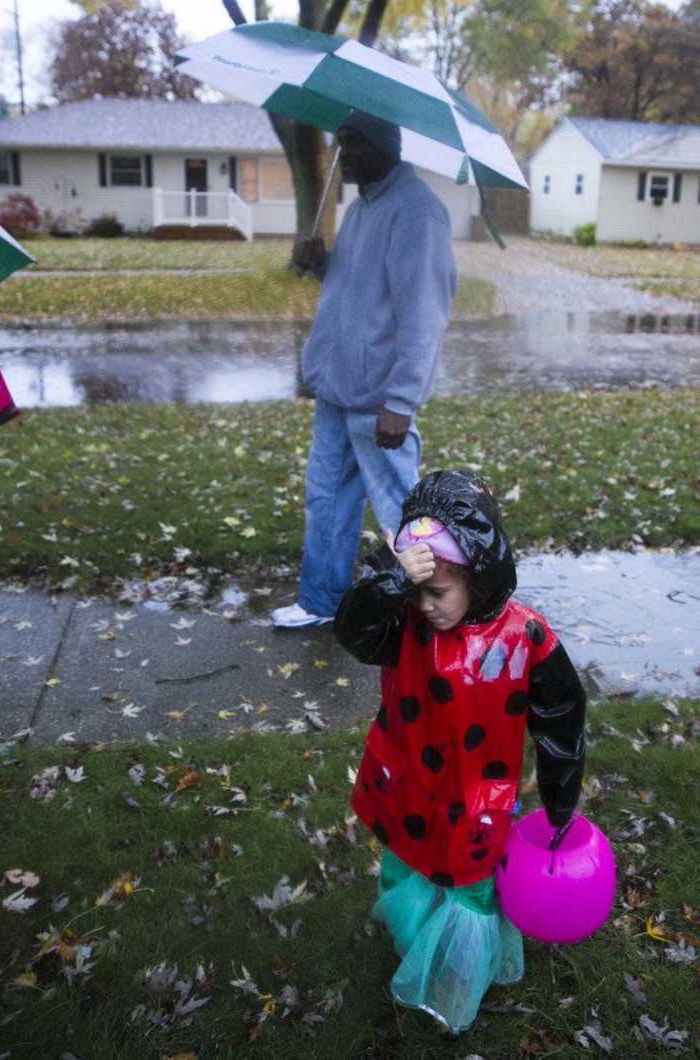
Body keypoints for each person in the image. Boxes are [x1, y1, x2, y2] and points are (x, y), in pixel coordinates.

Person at [334, 469, 586, 1034]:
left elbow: (562, 720)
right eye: (416, 591)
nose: (425, 606)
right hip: (409, 778)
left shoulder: (525, 638)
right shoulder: (399, 619)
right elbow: (353, 632)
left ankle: (455, 981)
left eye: (437, 591)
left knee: (469, 884)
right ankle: (417, 937)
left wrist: (560, 801)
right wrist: (392, 582)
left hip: (478, 798)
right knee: (411, 857)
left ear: (478, 575)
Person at [271, 109, 458, 628]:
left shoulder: (417, 213)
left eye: (353, 143)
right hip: (338, 389)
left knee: (402, 510)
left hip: (379, 398)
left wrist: (402, 401)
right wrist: (321, 263)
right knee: (326, 499)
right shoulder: (360, 209)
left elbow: (423, 314)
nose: (342, 154)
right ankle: (319, 601)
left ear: (387, 145)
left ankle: (441, 606)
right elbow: (358, 289)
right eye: (339, 142)